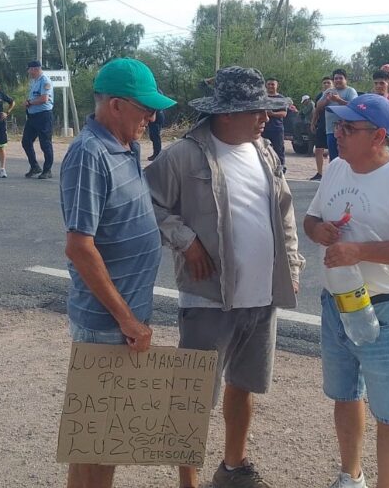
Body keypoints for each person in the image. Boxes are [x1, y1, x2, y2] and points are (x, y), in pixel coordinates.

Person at [145, 66, 305, 488]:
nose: (266, 118)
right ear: (226, 114)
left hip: (261, 296)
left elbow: (284, 211)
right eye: (257, 110)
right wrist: (187, 241)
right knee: (192, 395)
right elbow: (150, 205)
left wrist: (292, 263)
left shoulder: (264, 151)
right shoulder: (183, 155)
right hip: (207, 298)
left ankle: (233, 468)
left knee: (243, 385)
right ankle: (188, 483)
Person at [303, 93, 389, 488]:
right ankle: (351, 476)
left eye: (348, 128)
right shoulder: (336, 169)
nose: (338, 133)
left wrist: (359, 251)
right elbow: (311, 219)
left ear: (379, 136)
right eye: (338, 125)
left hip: (383, 309)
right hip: (337, 303)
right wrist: (319, 231)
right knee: (344, 395)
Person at [60, 58, 175, 488]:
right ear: (115, 106)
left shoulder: (126, 147)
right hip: (109, 324)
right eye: (144, 108)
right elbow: (79, 245)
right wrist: (126, 318)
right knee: (100, 443)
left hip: (125, 318)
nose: (152, 117)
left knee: (100, 441)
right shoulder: (89, 154)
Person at [316, 69, 359, 161]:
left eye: (340, 78)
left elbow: (355, 106)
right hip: (331, 130)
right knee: (333, 158)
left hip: (346, 130)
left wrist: (339, 100)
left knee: (345, 157)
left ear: (346, 79)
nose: (338, 80)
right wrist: (326, 100)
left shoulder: (350, 91)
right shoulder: (329, 91)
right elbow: (318, 106)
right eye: (336, 78)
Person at [21, 60, 55, 179]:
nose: (28, 72)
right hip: (32, 116)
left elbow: (44, 98)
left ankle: (47, 170)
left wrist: (30, 102)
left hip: (43, 115)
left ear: (35, 69)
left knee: (45, 143)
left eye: (29, 69)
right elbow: (34, 97)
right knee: (26, 141)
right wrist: (28, 103)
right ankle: (34, 166)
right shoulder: (34, 81)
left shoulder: (45, 80)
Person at [261, 77, 293, 170]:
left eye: (273, 84)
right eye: (269, 84)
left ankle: (280, 168)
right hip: (263, 128)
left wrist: (272, 114)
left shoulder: (281, 98)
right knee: (262, 148)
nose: (270, 86)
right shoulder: (262, 98)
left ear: (277, 86)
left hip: (276, 128)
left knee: (279, 149)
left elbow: (284, 113)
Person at [309, 76, 333, 180]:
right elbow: (316, 111)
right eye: (324, 83)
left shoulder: (336, 94)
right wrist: (313, 123)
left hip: (333, 125)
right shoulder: (320, 96)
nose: (326, 84)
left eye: (328, 82)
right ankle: (319, 173)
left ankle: (331, 173)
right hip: (322, 124)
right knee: (318, 149)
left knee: (332, 150)